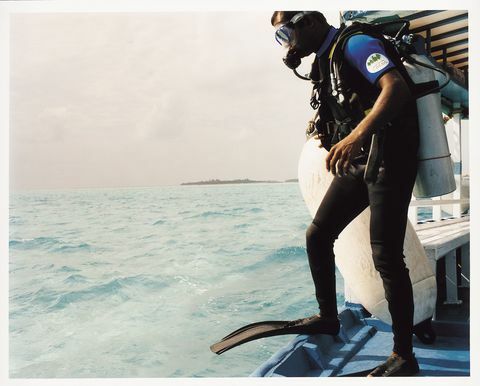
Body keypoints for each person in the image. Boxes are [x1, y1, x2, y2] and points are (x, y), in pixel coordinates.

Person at [271, 11, 420, 377]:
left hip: (389, 161)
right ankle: (327, 318)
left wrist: (353, 138)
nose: (287, 42)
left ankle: (404, 355)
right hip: (359, 162)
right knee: (317, 235)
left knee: (385, 256)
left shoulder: (356, 43)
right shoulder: (325, 60)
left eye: (287, 32)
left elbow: (395, 88)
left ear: (309, 22)